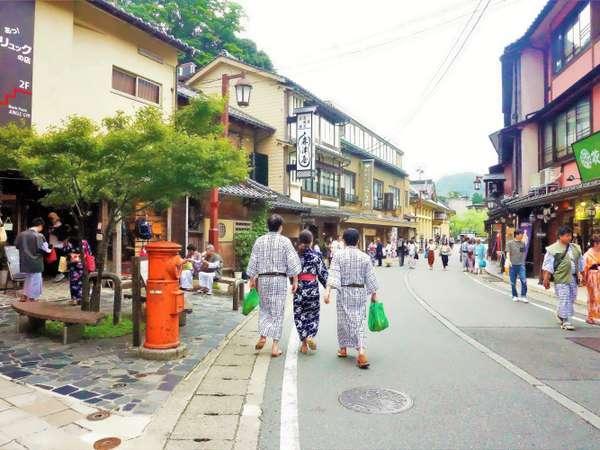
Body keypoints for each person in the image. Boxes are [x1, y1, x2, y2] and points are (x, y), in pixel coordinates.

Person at [247, 214, 301, 357]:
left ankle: (263, 336)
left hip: (263, 279)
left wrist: (252, 279)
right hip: (279, 279)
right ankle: (275, 346)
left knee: (264, 308)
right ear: (281, 227)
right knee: (277, 312)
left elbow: (253, 261)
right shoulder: (285, 241)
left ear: (268, 226)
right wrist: (295, 281)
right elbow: (293, 263)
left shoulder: (259, 241)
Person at [324, 228, 379, 369]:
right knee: (359, 321)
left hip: (344, 291)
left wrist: (328, 291)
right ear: (358, 241)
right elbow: (371, 278)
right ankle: (361, 351)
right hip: (360, 291)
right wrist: (374, 294)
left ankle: (343, 349)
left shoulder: (338, 256)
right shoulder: (365, 257)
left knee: (343, 320)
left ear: (343, 240)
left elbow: (333, 274)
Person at [542, 226, 584, 331]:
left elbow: (580, 262)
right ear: (560, 236)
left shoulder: (575, 248)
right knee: (564, 297)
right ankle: (566, 320)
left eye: (570, 235)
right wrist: (546, 279)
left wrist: (582, 274)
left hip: (573, 278)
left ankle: (561, 313)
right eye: (567, 236)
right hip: (561, 278)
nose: (570, 238)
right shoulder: (553, 249)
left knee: (572, 298)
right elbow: (548, 266)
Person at [294, 230, 328, 354]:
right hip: (312, 289)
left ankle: (303, 344)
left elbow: (291, 274)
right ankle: (310, 336)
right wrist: (327, 288)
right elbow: (323, 274)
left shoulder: (295, 256)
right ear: (311, 241)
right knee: (313, 315)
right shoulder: (316, 256)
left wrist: (293, 284)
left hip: (299, 289)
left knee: (299, 315)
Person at [15, 218, 52, 302]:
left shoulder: (21, 234)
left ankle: (24, 296)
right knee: (36, 279)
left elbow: (17, 246)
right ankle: (32, 298)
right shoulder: (39, 236)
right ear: (40, 226)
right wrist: (50, 250)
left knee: (28, 278)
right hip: (36, 261)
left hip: (24, 260)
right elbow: (45, 249)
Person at [65, 237, 90, 305]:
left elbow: (66, 252)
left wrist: (72, 255)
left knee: (74, 283)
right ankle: (82, 299)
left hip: (73, 265)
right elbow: (89, 253)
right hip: (83, 265)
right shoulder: (85, 242)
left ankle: (74, 299)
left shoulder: (70, 242)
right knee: (82, 282)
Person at [47, 212, 70, 282]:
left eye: (52, 219)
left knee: (60, 259)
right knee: (54, 260)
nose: (51, 220)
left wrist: (54, 232)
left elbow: (63, 237)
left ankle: (60, 274)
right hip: (53, 245)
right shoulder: (52, 226)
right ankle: (58, 274)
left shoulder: (61, 226)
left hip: (59, 245)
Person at [507, 229, 528, 302]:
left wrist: (523, 263)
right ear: (517, 235)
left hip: (521, 265)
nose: (522, 236)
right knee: (513, 282)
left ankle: (523, 296)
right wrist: (509, 261)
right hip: (512, 265)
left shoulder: (522, 243)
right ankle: (514, 295)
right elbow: (508, 253)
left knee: (524, 280)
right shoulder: (510, 243)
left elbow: (522, 253)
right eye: (521, 234)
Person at [582, 235, 600, 325]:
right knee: (592, 297)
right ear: (595, 244)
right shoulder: (587, 254)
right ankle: (590, 316)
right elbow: (584, 267)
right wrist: (584, 278)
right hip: (592, 277)